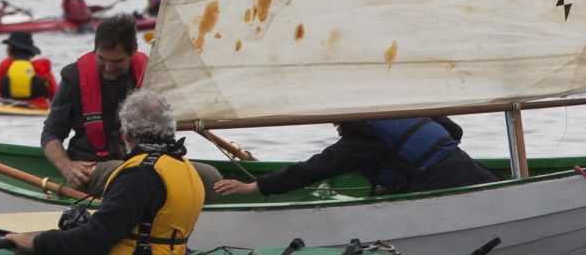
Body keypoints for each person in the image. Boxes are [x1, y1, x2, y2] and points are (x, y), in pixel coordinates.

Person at [7, 90, 204, 255]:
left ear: (126, 135)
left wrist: (36, 242)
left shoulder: (140, 174)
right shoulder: (187, 169)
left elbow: (95, 239)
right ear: (170, 129)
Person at [40, 15, 221, 195]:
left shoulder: (150, 73)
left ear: (133, 51)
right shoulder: (73, 78)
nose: (109, 68)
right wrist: (66, 166)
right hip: (98, 167)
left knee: (211, 178)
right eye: (102, 59)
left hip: (150, 163)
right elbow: (51, 133)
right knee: (125, 173)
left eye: (118, 61)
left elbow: (168, 127)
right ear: (95, 50)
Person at [211, 116, 496, 199]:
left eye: (335, 122)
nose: (335, 128)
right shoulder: (397, 107)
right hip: (475, 173)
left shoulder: (361, 141)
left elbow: (315, 168)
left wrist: (256, 186)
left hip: (442, 190)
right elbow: (454, 130)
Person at [0, 31, 57, 109]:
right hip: (37, 108)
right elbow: (56, 97)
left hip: (8, 107)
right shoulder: (41, 67)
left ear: (10, 50)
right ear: (31, 52)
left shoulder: (5, 65)